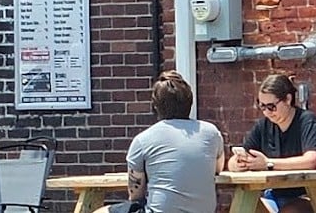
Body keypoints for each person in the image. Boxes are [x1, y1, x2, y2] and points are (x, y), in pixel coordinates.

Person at [93, 71, 224, 213]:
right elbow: (218, 168)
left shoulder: (143, 140)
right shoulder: (211, 133)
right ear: (190, 102)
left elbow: (136, 195)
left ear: (156, 106)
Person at [227, 73, 316, 213]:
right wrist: (238, 164)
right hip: (272, 196)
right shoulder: (263, 126)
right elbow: (234, 160)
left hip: (307, 194)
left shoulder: (307, 121)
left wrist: (268, 164)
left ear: (287, 99)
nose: (267, 112)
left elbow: (312, 159)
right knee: (241, 208)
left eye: (271, 107)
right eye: (262, 106)